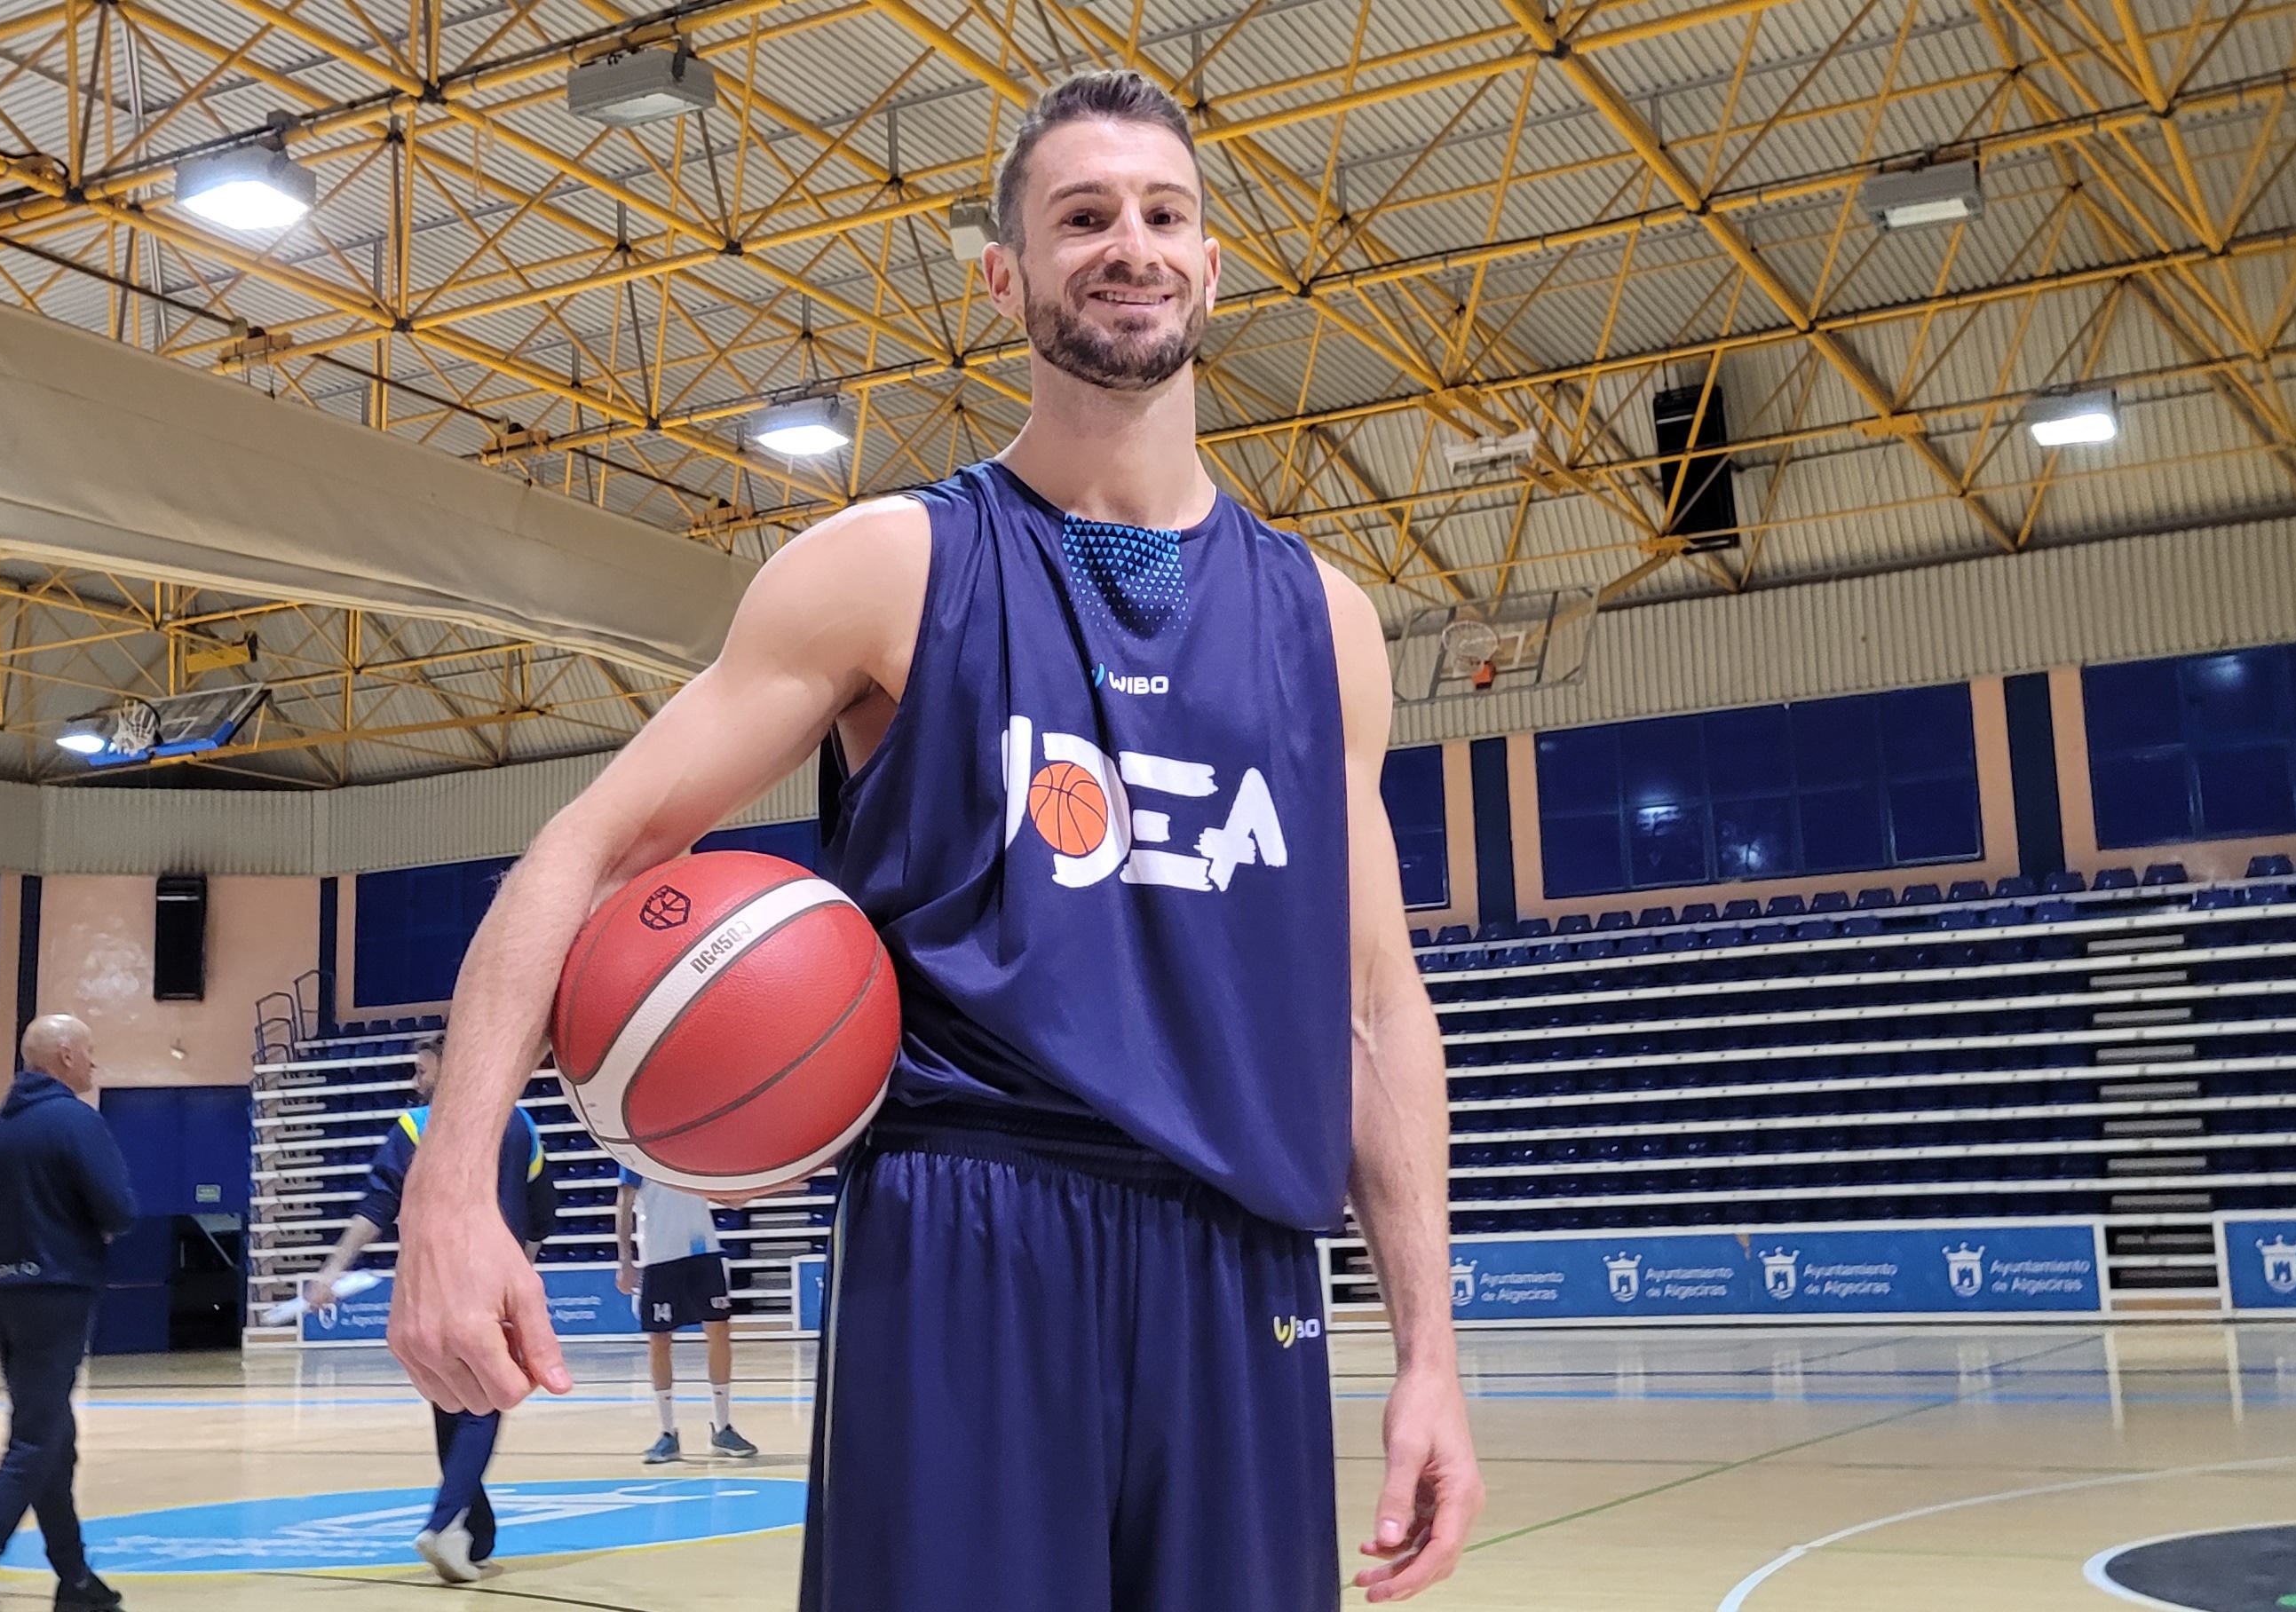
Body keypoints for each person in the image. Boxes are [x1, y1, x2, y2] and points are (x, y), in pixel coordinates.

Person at [389, 68, 1480, 1609]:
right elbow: (590, 848)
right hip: (966, 1231)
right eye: (1081, 216)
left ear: (1212, 265)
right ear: (1004, 274)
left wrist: (1430, 1355)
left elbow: (1373, 1008)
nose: (1130, 245)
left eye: (1164, 215)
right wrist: (452, 1192)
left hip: (1243, 1264)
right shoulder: (889, 568)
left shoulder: (1327, 625)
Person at [300, 1038, 558, 1583]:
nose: (416, 1081)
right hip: (489, 1292)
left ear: (450, 1065)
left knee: (456, 1406)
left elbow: (377, 1206)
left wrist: (332, 1269)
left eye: (422, 1069)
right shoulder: (522, 1126)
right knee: (479, 1406)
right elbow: (540, 1219)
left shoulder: (417, 1127)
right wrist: (519, 1279)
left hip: (436, 1292)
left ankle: (469, 1530)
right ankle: (450, 1524)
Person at [0, 1014, 136, 1612]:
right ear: (64, 1055)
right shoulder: (76, 1122)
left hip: (0, 1299)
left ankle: (74, 1582)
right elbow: (118, 1210)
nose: (94, 1064)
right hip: (56, 1295)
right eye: (89, 1052)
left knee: (53, 1440)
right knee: (34, 1440)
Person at [615, 1167, 757, 1463]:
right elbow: (625, 1203)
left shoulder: (690, 1145)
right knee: (659, 1340)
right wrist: (625, 1260)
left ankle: (723, 1427)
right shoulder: (634, 1152)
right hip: (659, 1257)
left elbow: (722, 1195)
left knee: (719, 1330)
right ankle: (667, 1433)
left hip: (702, 1250)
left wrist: (745, 1193)